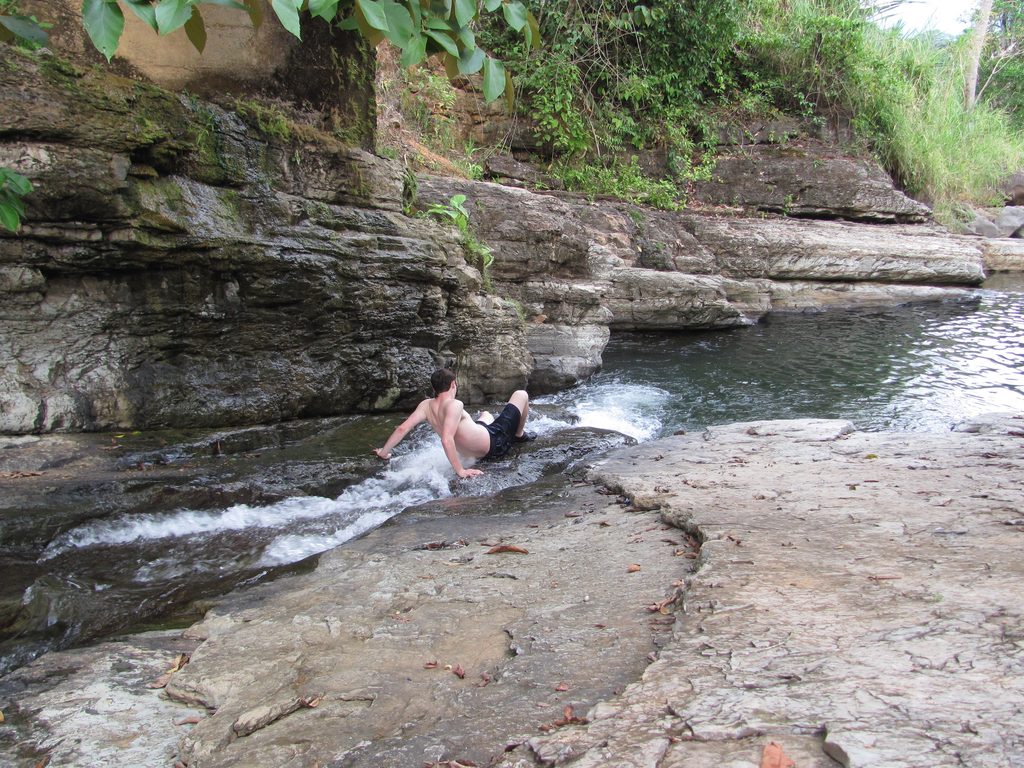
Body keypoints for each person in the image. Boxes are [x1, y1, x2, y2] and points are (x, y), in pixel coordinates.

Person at [372, 368, 533, 479]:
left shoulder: (425, 405)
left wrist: (384, 452)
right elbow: (446, 439)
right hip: (495, 443)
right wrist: (460, 471)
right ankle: (518, 435)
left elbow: (402, 428)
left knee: (486, 414)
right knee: (521, 394)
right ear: (453, 384)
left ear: (434, 388)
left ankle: (495, 425)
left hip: (480, 438)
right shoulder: (455, 405)